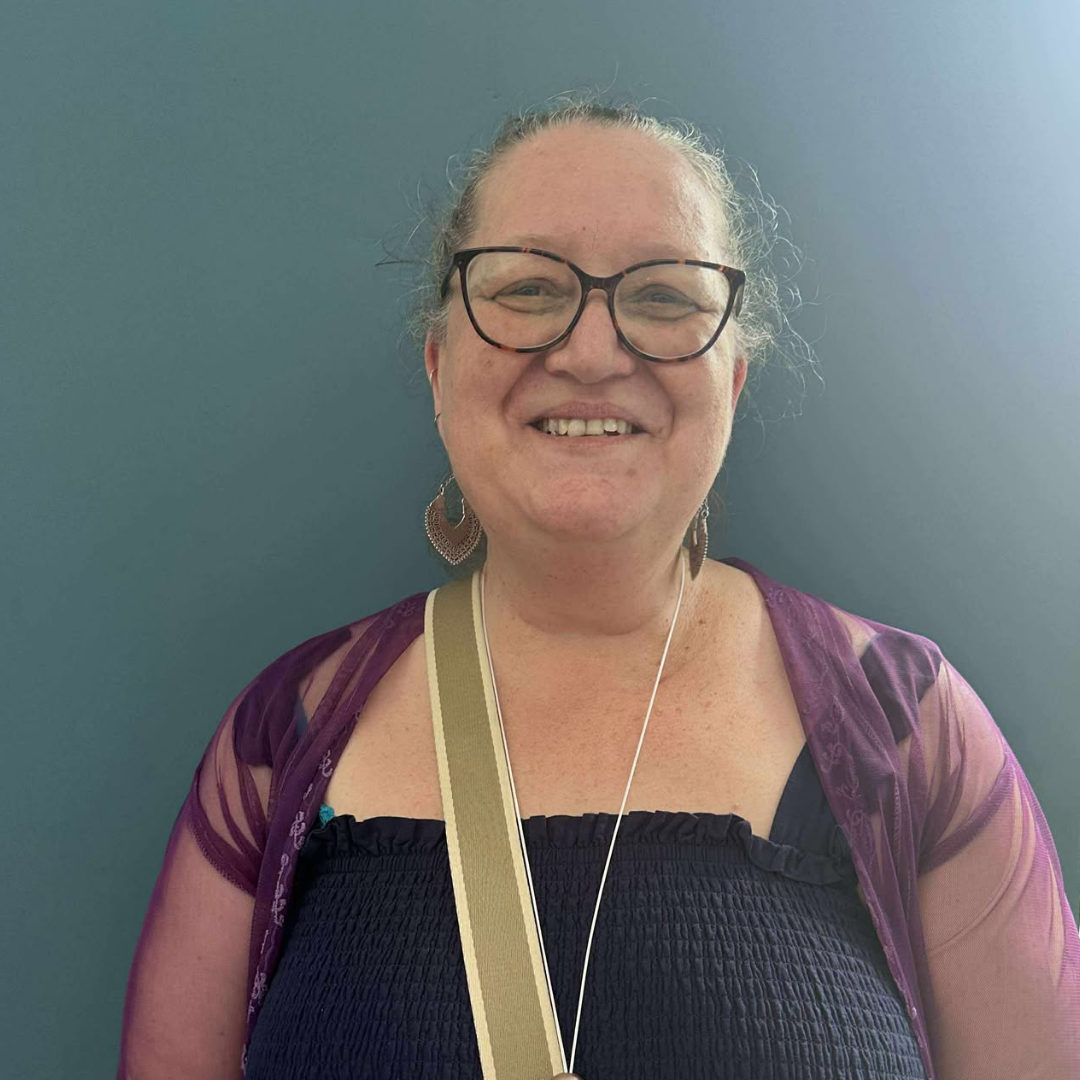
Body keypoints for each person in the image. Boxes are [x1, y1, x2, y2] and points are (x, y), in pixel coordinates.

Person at [117, 96, 1080, 1080]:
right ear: (440, 368)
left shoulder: (907, 726)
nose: (589, 351)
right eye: (529, 288)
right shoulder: (283, 737)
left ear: (732, 383)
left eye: (663, 296)